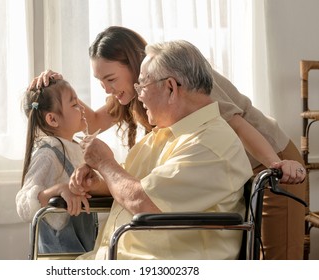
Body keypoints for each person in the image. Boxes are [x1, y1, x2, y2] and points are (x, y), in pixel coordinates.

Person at [30, 26, 306, 259]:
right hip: (210, 170)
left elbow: (236, 125)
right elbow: (92, 121)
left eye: (110, 79)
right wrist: (55, 89)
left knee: (273, 260)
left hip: (266, 156)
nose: (106, 89)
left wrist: (277, 166)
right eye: (100, 81)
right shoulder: (154, 104)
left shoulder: (192, 90)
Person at [69, 39, 253, 259]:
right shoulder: (162, 136)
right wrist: (97, 181)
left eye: (142, 85)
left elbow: (143, 201)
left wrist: (105, 163)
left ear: (170, 87)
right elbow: (127, 184)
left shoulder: (210, 143)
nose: (139, 95)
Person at [16, 79, 97, 254]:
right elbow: (23, 203)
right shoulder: (47, 154)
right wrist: (59, 190)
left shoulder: (77, 148)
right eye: (75, 104)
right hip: (59, 253)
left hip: (84, 247)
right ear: (52, 119)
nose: (82, 108)